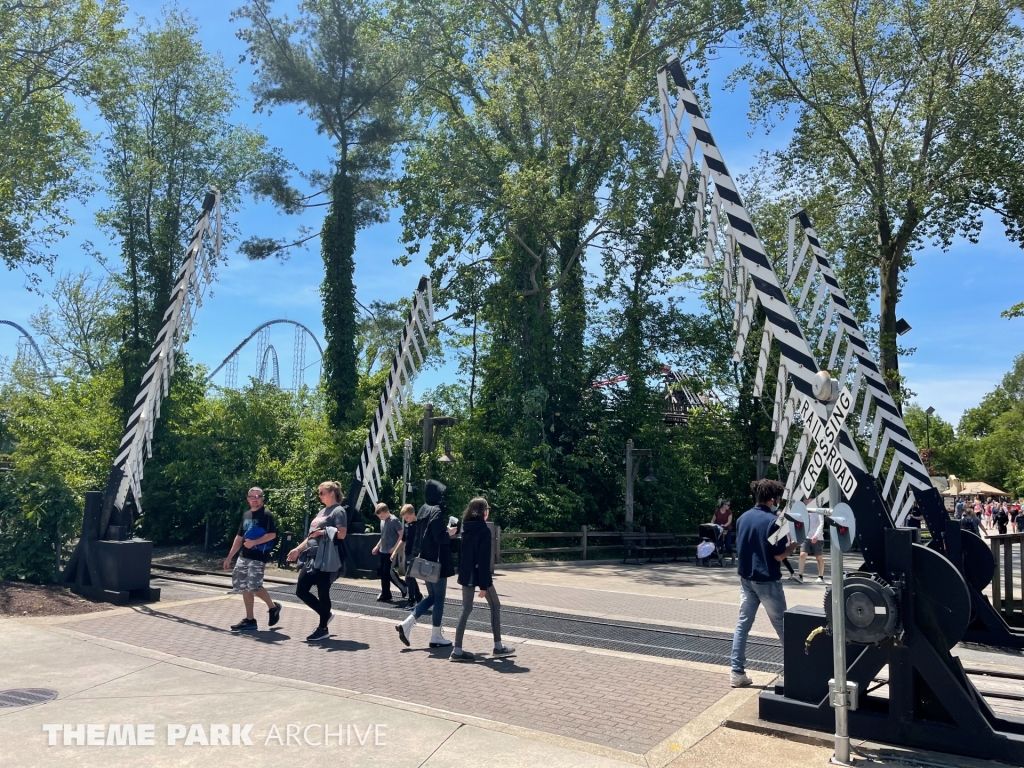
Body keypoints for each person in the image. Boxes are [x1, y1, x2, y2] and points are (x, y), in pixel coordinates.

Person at [731, 478, 801, 688]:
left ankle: (737, 672)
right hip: (767, 580)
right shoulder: (774, 522)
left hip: (746, 579)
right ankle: (796, 673)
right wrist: (793, 546)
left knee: (743, 625)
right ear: (773, 498)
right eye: (778, 498)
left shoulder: (742, 518)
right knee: (783, 626)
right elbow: (779, 555)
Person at [450, 498, 515, 662]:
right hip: (481, 576)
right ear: (482, 511)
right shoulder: (484, 531)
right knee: (495, 605)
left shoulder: (465, 528)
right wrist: (484, 585)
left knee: (466, 609)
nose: (488, 511)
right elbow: (484, 560)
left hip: (466, 575)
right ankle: (498, 647)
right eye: (487, 508)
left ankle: (457, 650)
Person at [396, 480, 457, 648]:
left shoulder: (423, 508)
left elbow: (425, 534)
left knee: (431, 597)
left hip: (424, 561)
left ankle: (407, 624)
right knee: (439, 600)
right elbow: (440, 538)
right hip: (437, 564)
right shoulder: (436, 510)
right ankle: (436, 635)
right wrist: (450, 533)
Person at [286, 481, 347, 641]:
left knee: (323, 592)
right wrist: (297, 550)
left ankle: (323, 628)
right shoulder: (322, 511)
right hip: (312, 557)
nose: (320, 496)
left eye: (322, 493)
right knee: (301, 590)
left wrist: (322, 532)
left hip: (326, 557)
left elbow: (341, 534)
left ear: (332, 493)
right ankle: (325, 614)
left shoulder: (338, 511)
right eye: (319, 493)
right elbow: (311, 536)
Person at [223, 487, 281, 631]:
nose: (255, 499)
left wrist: (254, 543)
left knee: (254, 586)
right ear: (248, 499)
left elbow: (272, 535)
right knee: (244, 587)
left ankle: (273, 607)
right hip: (243, 557)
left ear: (262, 498)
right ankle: (250, 620)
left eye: (258, 496)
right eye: (252, 496)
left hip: (258, 557)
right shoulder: (246, 515)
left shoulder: (266, 515)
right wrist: (230, 556)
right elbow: (239, 537)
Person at [372, 503, 407, 602]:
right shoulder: (382, 521)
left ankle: (404, 586)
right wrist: (377, 546)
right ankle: (386, 593)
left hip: (391, 551)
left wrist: (395, 547)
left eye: (382, 516)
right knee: (383, 573)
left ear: (387, 512)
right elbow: (383, 536)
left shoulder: (394, 520)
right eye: (379, 517)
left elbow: (401, 535)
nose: (381, 518)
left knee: (389, 572)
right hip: (383, 550)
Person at [398, 503, 423, 608]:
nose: (406, 520)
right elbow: (403, 540)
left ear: (413, 514)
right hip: (408, 553)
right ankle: (418, 596)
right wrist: (395, 551)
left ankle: (412, 599)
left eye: (407, 517)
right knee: (409, 576)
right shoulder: (407, 526)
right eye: (405, 518)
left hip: (416, 553)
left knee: (409, 577)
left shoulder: (419, 525)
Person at [796, 498, 826, 584]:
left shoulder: (818, 509)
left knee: (818, 556)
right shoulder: (804, 510)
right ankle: (800, 576)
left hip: (818, 537)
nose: (806, 501)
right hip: (806, 536)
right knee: (802, 554)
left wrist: (816, 535)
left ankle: (821, 577)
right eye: (805, 499)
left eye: (808, 499)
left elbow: (821, 523)